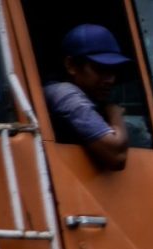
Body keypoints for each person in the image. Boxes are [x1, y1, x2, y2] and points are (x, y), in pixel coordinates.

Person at [45, 24, 131, 171]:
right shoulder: (65, 94)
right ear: (71, 65)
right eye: (100, 68)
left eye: (113, 70)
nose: (110, 79)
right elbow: (116, 156)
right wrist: (115, 115)